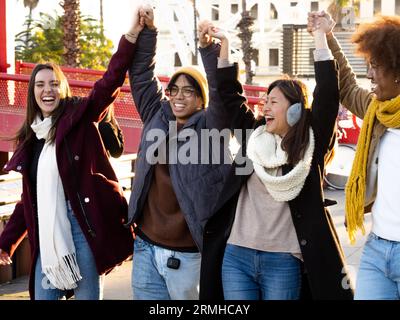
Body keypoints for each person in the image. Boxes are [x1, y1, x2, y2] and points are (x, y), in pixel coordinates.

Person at [199, 18, 354, 300]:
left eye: (273, 102)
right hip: (237, 255)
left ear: (295, 110)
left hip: (283, 260)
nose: (265, 106)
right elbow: (230, 95)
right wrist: (226, 45)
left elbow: (329, 94)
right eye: (265, 100)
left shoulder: (310, 143)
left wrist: (320, 36)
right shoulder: (254, 137)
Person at [0, 6, 145, 300]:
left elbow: (110, 81)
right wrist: (7, 242)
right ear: (33, 93)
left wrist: (130, 37)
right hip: (48, 236)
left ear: (63, 89)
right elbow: (29, 200)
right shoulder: (31, 140)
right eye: (40, 85)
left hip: (84, 226)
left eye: (54, 83)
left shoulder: (80, 118)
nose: (47, 90)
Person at [125, 8, 233, 300]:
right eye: (174, 89)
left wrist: (209, 49)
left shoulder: (213, 127)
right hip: (146, 249)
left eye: (189, 91)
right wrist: (149, 31)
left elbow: (224, 95)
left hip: (188, 258)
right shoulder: (156, 115)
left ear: (201, 99)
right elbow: (141, 74)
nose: (179, 96)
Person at [309, 12, 400, 300]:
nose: (370, 75)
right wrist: (328, 36)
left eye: (375, 66)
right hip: (377, 249)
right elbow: (346, 86)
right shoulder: (378, 112)